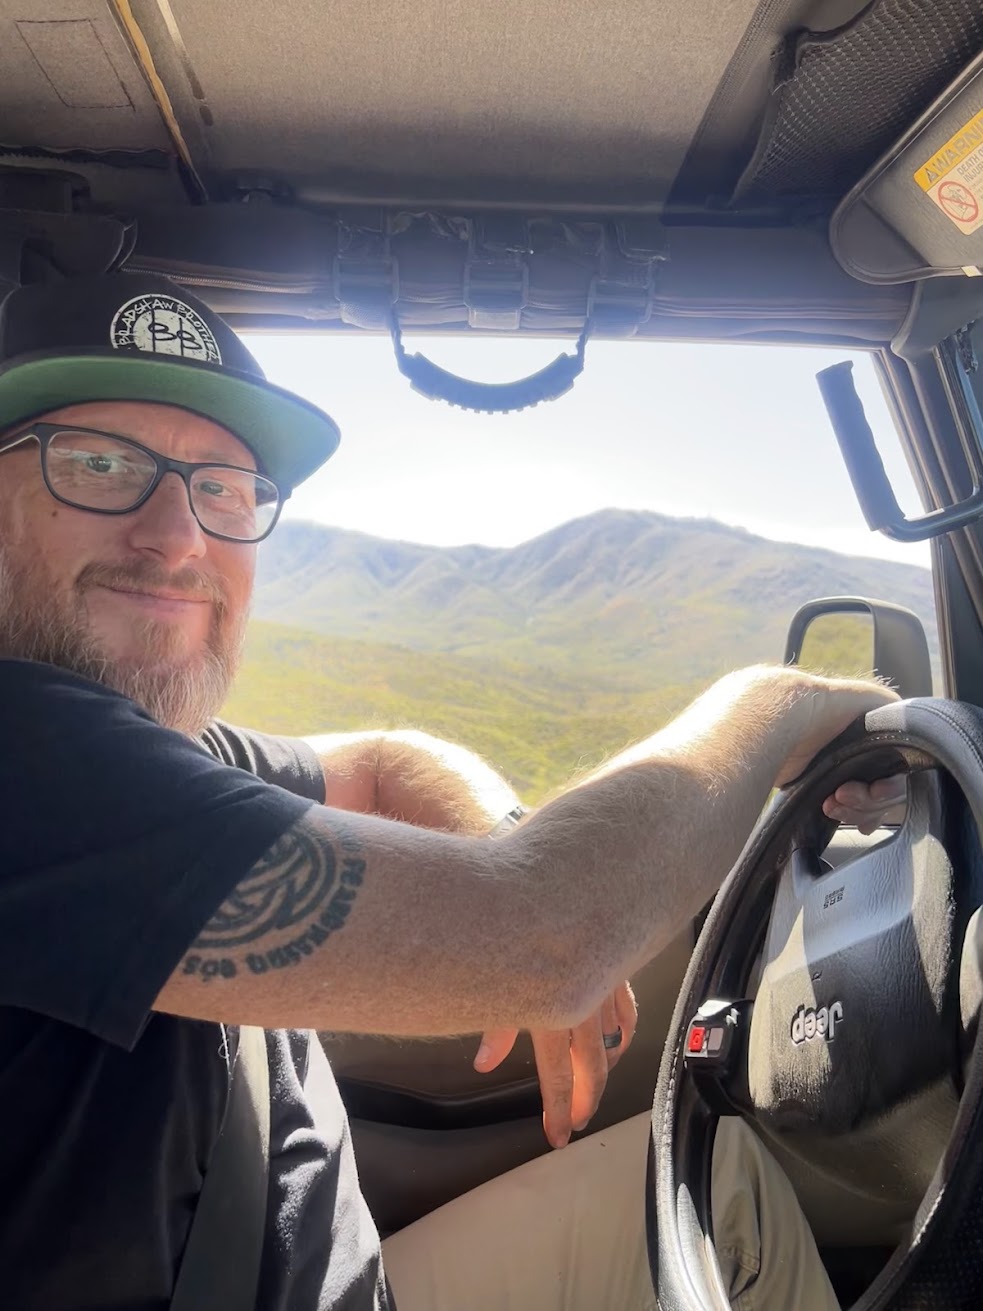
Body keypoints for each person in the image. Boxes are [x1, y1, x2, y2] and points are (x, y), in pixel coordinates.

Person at [0, 271, 905, 1311]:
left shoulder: (156, 755)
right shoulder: (26, 759)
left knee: (724, 1190)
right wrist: (776, 703)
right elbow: (547, 934)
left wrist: (501, 837)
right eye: (100, 465)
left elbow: (382, 760)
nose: (179, 535)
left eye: (224, 488)